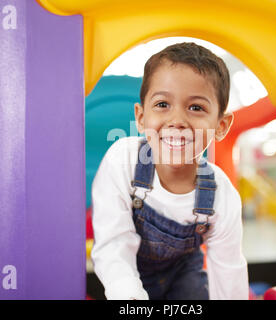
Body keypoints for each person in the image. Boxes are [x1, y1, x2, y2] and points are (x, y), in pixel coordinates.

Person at [91, 42, 248, 300]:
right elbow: (114, 244)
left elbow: (228, 272)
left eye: (196, 108)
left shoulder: (221, 196)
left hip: (184, 279)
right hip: (127, 277)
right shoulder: (124, 161)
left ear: (221, 125)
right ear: (141, 117)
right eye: (163, 104)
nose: (177, 121)